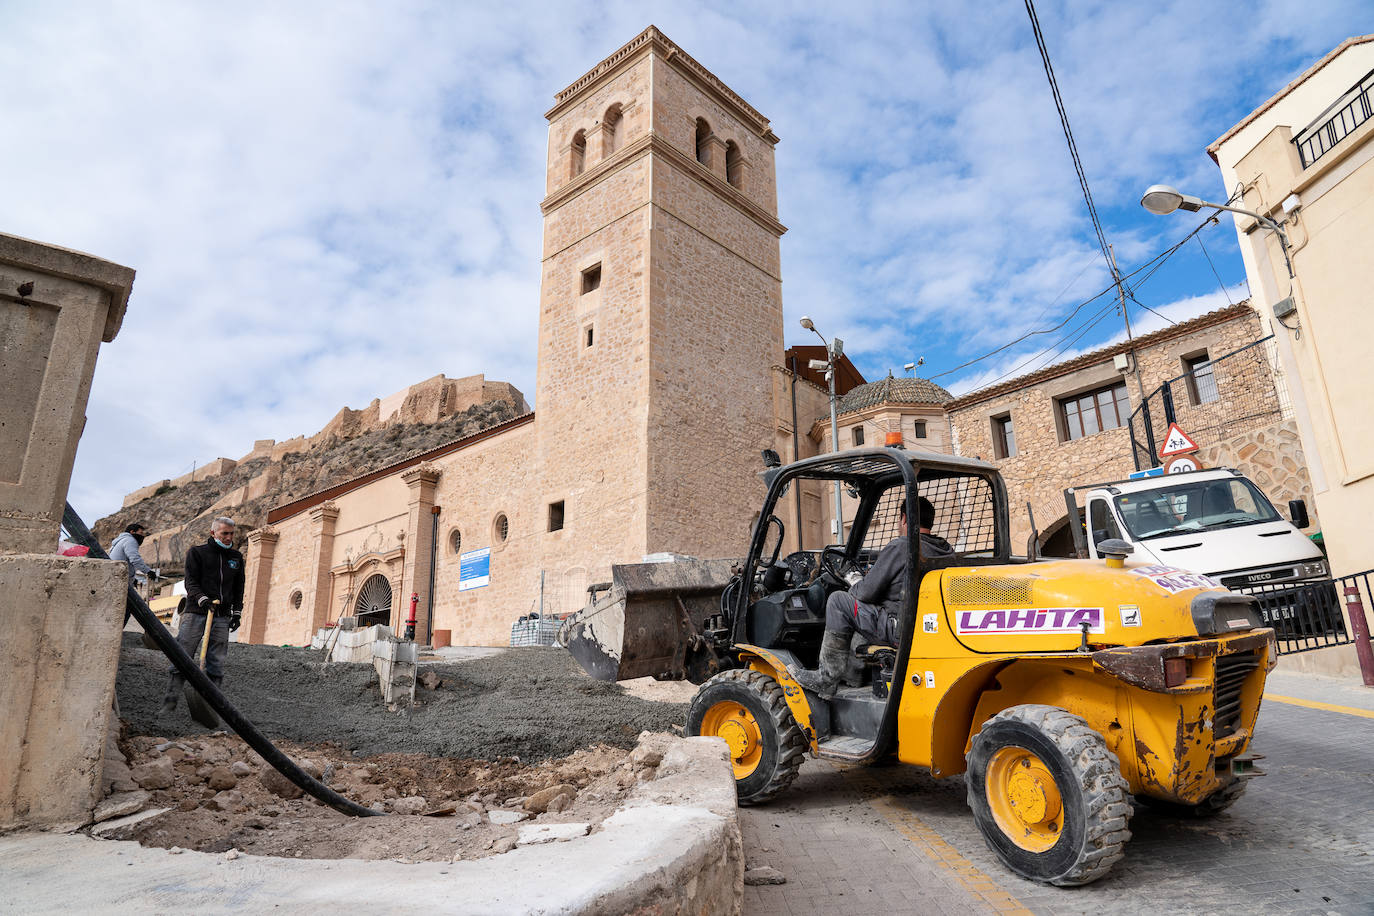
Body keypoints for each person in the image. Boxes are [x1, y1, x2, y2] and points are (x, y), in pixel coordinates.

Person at [792, 496, 953, 699]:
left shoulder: (902, 546)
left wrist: (854, 581)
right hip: (925, 625)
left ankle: (826, 679)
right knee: (863, 610)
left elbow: (866, 592)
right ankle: (854, 677)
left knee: (839, 602)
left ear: (904, 518)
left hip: (898, 627)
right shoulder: (945, 549)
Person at [158, 517, 245, 715]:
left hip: (221, 616)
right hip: (196, 612)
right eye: (225, 533)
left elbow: (239, 587)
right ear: (213, 533)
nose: (229, 537)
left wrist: (237, 612)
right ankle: (170, 702)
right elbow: (190, 582)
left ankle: (209, 706)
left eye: (232, 533)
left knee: (217, 661)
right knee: (183, 655)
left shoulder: (236, 558)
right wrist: (203, 599)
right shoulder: (197, 553)